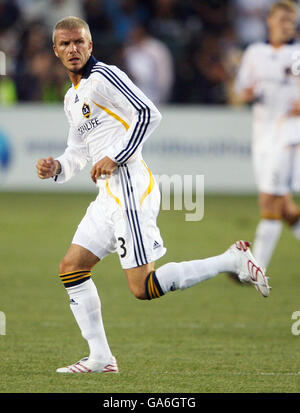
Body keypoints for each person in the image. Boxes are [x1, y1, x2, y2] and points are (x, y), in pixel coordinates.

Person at [36, 16, 270, 374]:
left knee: (143, 287)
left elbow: (149, 113)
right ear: (55, 50)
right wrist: (58, 168)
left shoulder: (104, 77)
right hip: (107, 196)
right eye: (65, 44)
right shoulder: (73, 97)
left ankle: (232, 261)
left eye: (79, 42)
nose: (73, 49)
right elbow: (78, 151)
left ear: (90, 44)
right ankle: (100, 358)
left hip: (129, 187)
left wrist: (115, 156)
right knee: (72, 268)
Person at [234, 0, 300, 274]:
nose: (288, 26)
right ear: (270, 22)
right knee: (284, 207)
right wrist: (246, 95)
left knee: (268, 200)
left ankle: (255, 269)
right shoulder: (255, 53)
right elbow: (237, 94)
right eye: (283, 21)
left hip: (289, 134)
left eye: (292, 21)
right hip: (262, 136)